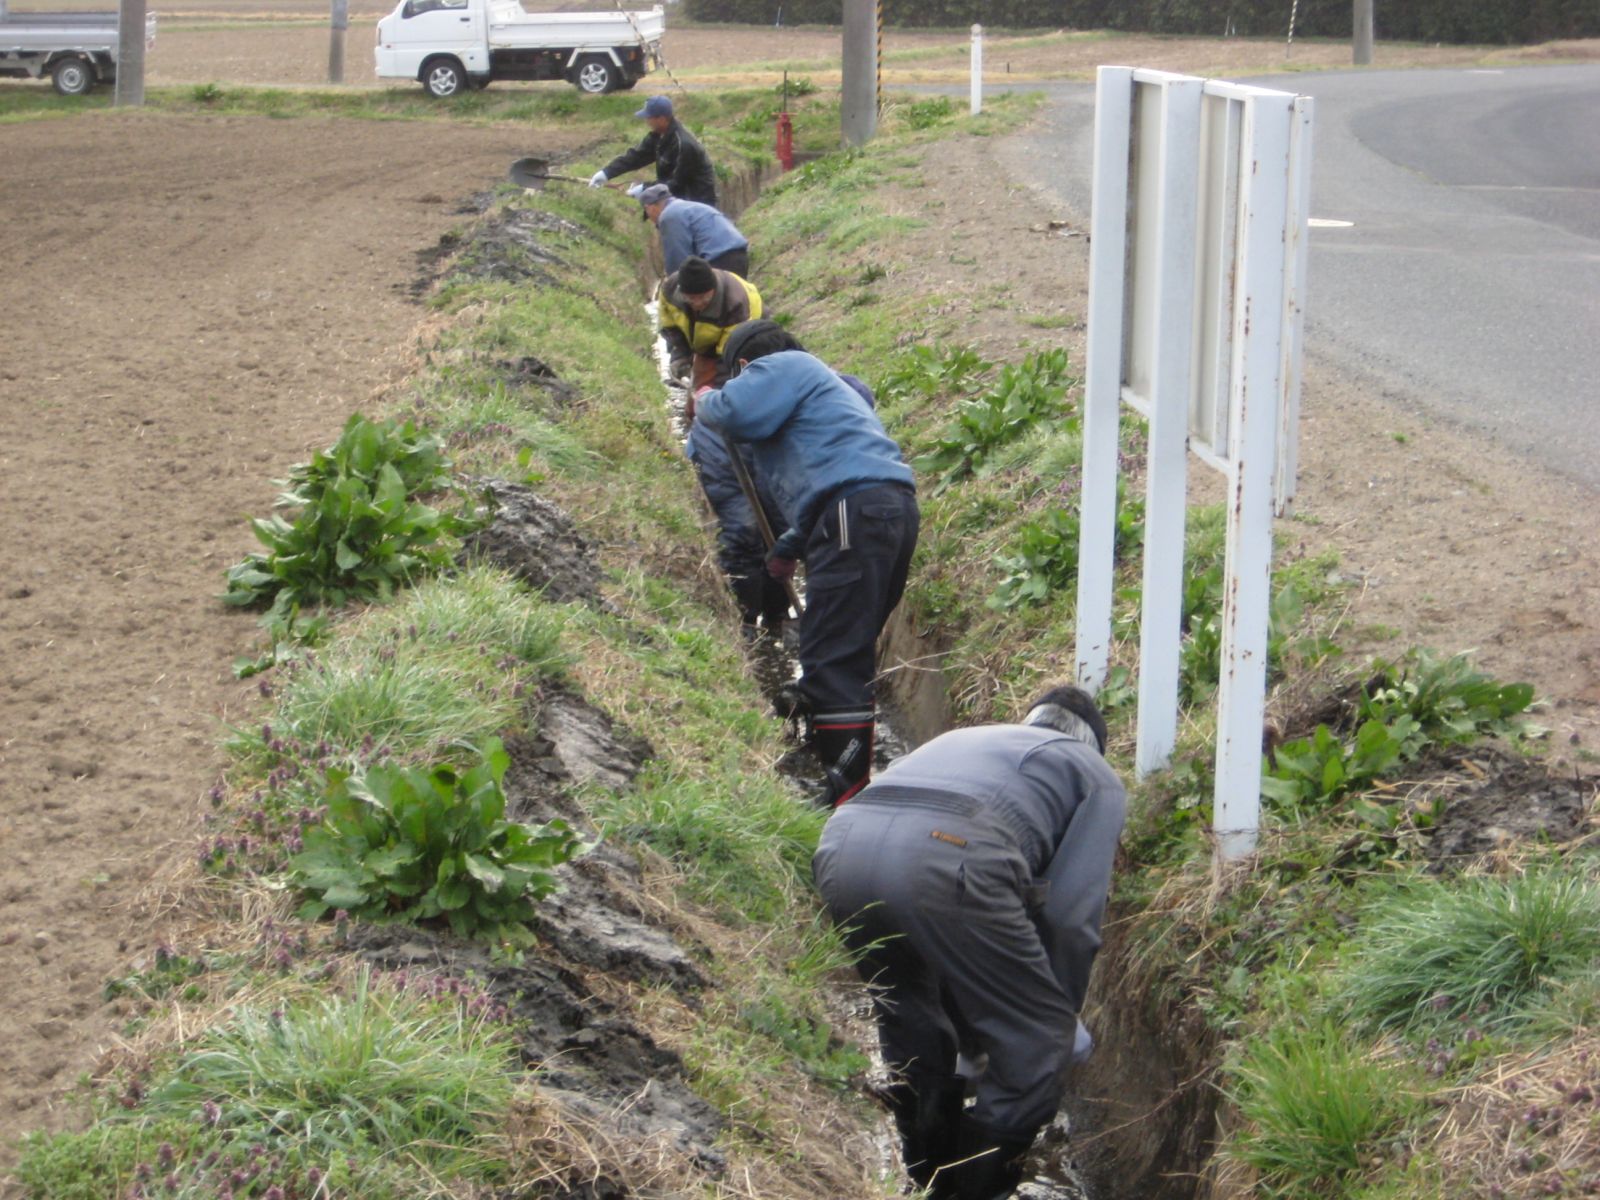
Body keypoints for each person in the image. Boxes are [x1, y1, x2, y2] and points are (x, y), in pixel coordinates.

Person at [811, 686, 1127, 1200]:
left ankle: (923, 1178)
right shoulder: (1096, 777)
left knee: (909, 1011)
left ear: (1030, 720)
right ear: (1094, 744)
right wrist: (1051, 1018)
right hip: (949, 859)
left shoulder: (967, 737)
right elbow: (1069, 918)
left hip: (842, 847)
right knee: (1037, 1042)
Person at [696, 320, 918, 806]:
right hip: (885, 511)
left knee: (832, 656)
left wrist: (705, 397)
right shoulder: (825, 395)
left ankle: (845, 797)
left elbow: (732, 412)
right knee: (843, 648)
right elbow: (840, 477)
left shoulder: (785, 365)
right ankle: (844, 766)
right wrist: (788, 549)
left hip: (853, 513)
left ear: (747, 367)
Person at [589, 94, 718, 207]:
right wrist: (606, 173)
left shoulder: (684, 145)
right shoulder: (658, 136)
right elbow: (636, 157)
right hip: (675, 201)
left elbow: (677, 183)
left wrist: (645, 189)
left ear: (661, 119)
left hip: (697, 204)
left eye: (649, 117)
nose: (646, 121)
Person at [657, 256, 760, 392]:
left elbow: (727, 356)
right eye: (692, 298)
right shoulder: (669, 291)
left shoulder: (735, 304)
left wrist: (716, 393)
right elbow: (670, 327)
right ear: (682, 293)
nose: (698, 303)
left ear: (713, 289)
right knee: (697, 388)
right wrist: (681, 354)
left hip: (746, 329)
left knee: (722, 384)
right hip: (707, 333)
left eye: (704, 298)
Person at [639, 184, 750, 278]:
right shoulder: (688, 207)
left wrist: (673, 288)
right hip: (739, 256)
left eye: (648, 216)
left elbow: (678, 260)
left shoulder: (669, 216)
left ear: (650, 208)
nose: (653, 221)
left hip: (719, 261)